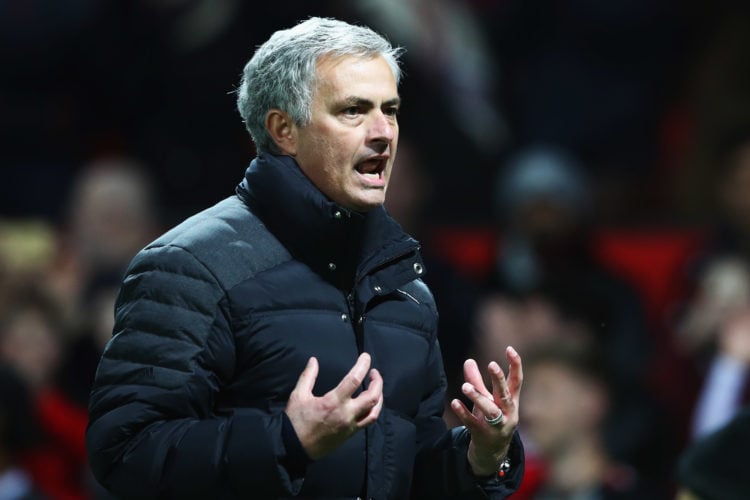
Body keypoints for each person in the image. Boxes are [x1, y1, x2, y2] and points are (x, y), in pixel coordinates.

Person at [86, 16, 524, 499]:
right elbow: (125, 452)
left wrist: (479, 460)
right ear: (283, 130)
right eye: (354, 111)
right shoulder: (190, 266)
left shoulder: (406, 287)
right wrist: (286, 441)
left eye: (391, 110)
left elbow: (407, 475)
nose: (383, 132)